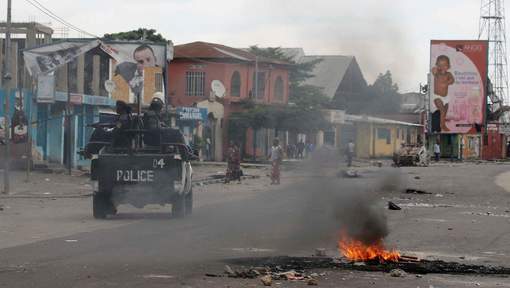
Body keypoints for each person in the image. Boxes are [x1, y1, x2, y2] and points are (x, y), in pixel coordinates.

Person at [432, 55, 455, 132]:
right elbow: (434, 71)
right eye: (440, 65)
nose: (442, 67)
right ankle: (442, 125)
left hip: (445, 97)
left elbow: (452, 80)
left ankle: (442, 122)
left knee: (445, 110)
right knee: (442, 110)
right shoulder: (437, 73)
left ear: (448, 66)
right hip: (437, 96)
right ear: (437, 65)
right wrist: (435, 70)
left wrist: (447, 83)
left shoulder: (448, 74)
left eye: (444, 65)